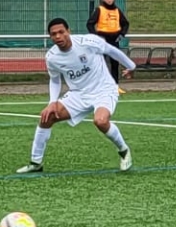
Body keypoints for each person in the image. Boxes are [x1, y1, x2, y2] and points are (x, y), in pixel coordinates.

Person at [16, 18, 135, 174]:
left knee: (100, 121)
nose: (58, 36)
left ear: (69, 31)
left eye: (61, 32)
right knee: (47, 117)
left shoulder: (88, 42)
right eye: (53, 34)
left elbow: (111, 50)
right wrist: (52, 102)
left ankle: (124, 151)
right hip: (78, 94)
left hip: (103, 90)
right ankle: (35, 163)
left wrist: (131, 66)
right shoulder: (52, 57)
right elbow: (55, 80)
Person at [87, 0, 130, 87]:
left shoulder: (117, 10)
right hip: (102, 40)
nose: (109, 0)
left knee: (115, 63)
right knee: (100, 62)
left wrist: (121, 34)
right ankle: (99, 85)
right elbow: (90, 24)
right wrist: (96, 36)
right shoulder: (99, 10)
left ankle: (115, 85)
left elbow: (125, 23)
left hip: (114, 40)